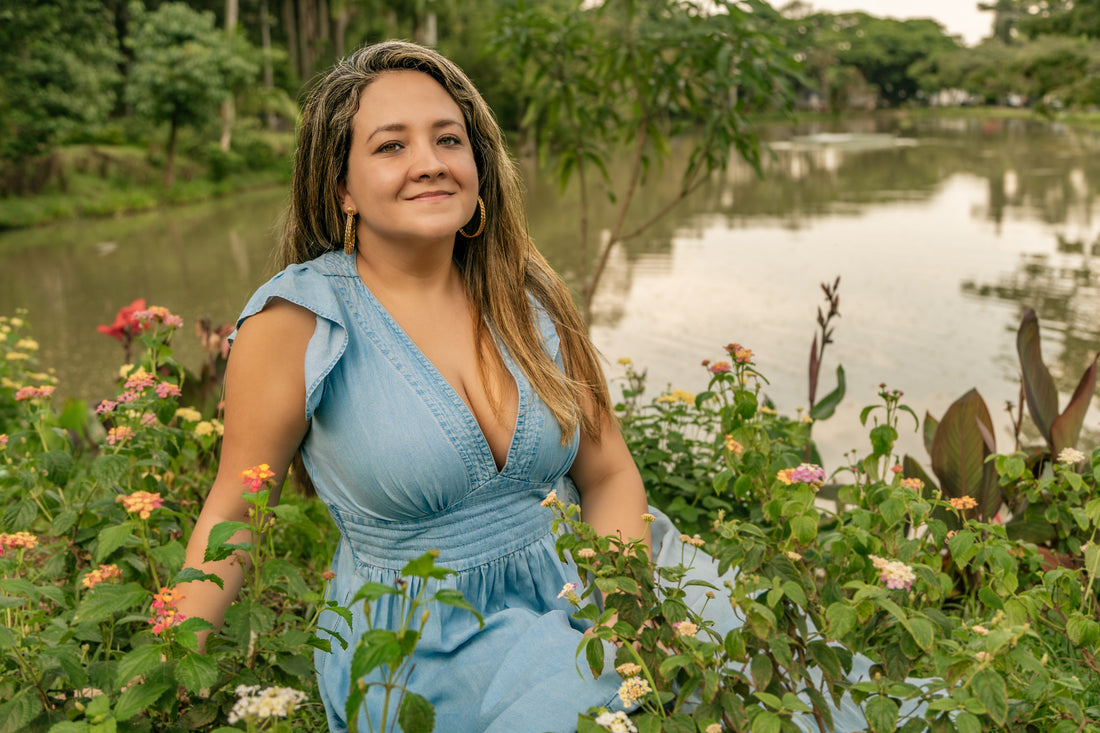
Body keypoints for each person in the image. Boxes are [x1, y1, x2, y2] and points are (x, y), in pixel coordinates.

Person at [179, 40, 908, 733]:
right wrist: (170, 664)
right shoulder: (297, 321)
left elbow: (610, 470)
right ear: (341, 187)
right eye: (391, 145)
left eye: (449, 139)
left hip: (595, 576)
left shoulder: (527, 296)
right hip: (431, 639)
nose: (429, 163)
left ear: (479, 161)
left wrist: (628, 612)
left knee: (786, 691)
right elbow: (234, 511)